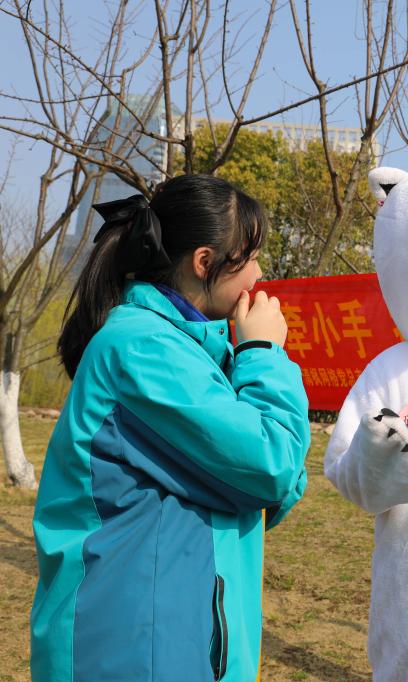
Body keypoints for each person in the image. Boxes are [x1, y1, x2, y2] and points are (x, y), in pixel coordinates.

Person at [30, 175, 310, 682]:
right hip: (134, 648)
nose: (259, 273)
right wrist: (264, 354)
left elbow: (271, 490)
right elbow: (272, 466)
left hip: (167, 638)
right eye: (247, 257)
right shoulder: (143, 351)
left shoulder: (188, 352)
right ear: (204, 262)